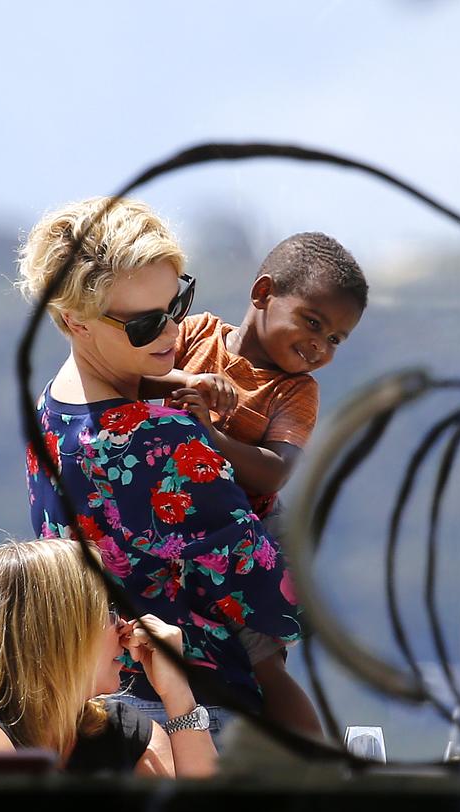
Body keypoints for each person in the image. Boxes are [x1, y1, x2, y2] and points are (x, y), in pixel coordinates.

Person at [17, 196, 320, 742]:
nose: (171, 334)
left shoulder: (49, 412)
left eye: (178, 304)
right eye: (143, 325)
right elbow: (277, 598)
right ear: (73, 321)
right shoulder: (164, 438)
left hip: (94, 713)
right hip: (196, 717)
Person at [140, 231, 368, 732]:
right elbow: (135, 378)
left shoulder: (293, 390)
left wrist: (209, 434)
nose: (319, 345)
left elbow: (275, 468)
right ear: (263, 293)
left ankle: (318, 772)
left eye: (335, 339)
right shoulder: (196, 334)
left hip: (256, 536)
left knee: (263, 665)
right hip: (193, 534)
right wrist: (187, 383)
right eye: (313, 322)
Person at [0, 538, 217, 778]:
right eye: (108, 610)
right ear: (59, 630)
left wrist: (177, 693)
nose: (125, 626)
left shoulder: (121, 731)